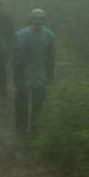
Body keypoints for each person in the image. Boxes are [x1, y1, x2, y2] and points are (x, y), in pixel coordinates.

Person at [13, 8, 55, 138]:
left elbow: (51, 56)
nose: (38, 22)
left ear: (44, 20)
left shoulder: (49, 35)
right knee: (21, 104)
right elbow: (16, 58)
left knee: (38, 103)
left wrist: (50, 74)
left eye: (40, 19)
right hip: (24, 74)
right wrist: (17, 76)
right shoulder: (21, 34)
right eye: (35, 19)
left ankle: (35, 126)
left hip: (40, 74)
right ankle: (21, 128)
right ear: (31, 19)